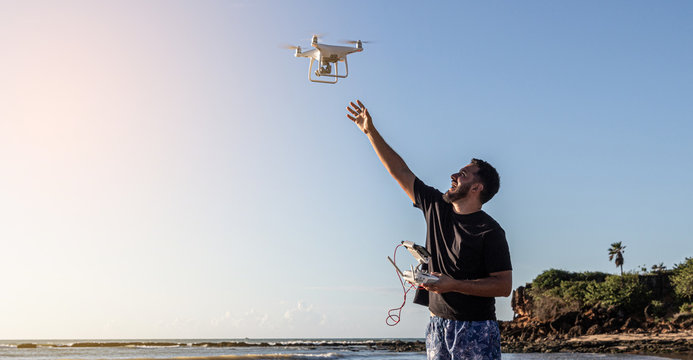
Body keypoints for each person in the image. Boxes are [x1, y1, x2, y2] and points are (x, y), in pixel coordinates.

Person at [346, 100, 513, 360]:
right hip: (436, 326)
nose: (454, 176)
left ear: (477, 188)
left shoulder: (490, 231)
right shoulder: (437, 206)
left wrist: (453, 285)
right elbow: (400, 170)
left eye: (463, 174)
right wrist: (370, 132)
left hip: (476, 328)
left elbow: (503, 286)